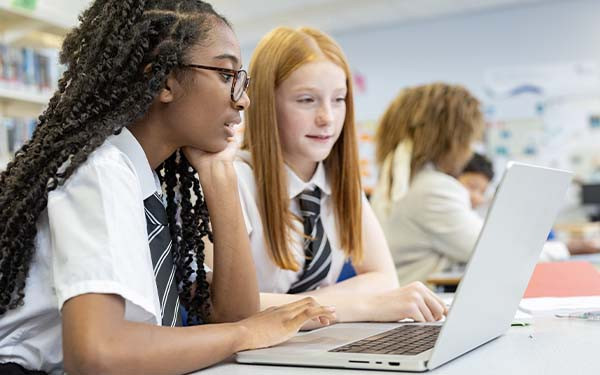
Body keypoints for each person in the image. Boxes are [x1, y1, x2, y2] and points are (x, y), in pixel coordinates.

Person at [0, 2, 334, 374]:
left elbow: (232, 313)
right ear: (163, 81)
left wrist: (219, 176)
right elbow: (96, 354)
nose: (243, 99)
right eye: (226, 75)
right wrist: (244, 333)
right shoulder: (100, 169)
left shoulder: (147, 181)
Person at [231, 26, 447, 327]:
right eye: (306, 100)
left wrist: (308, 308)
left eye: (339, 99)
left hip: (315, 342)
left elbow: (384, 279)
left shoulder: (337, 182)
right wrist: (362, 306)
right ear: (267, 104)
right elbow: (234, 309)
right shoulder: (233, 182)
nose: (327, 118)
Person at [370, 83, 485, 286]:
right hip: (428, 305)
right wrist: (556, 251)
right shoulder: (432, 189)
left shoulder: (394, 181)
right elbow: (491, 249)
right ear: (452, 138)